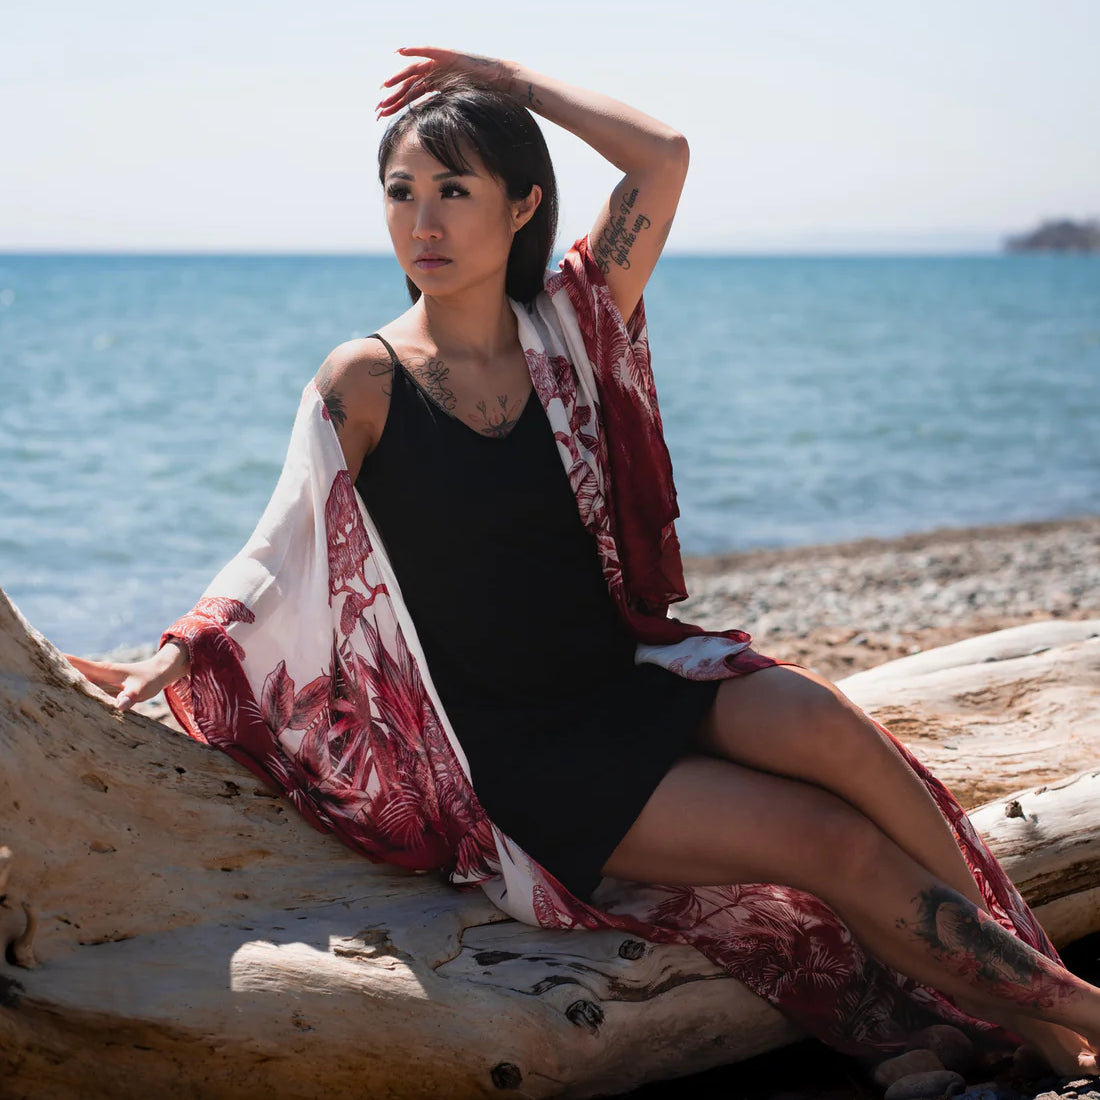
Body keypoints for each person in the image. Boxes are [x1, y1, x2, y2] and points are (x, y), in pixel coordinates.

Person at [67, 47, 1099, 1080]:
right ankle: (1074, 1013)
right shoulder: (365, 379)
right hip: (524, 758)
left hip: (625, 676)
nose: (421, 222)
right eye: (401, 193)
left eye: (454, 191)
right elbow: (281, 536)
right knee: (829, 842)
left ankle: (1039, 1011)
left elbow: (662, 157)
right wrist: (185, 641)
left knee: (837, 731)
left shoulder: (567, 325)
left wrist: (517, 85)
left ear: (521, 206)